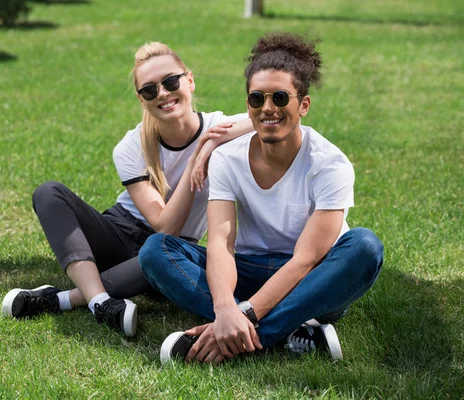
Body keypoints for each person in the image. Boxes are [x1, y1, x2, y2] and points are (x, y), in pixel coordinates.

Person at [139, 32, 384, 364]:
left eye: (280, 98)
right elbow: (221, 243)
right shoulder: (228, 158)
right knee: (156, 251)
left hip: (314, 278)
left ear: (304, 105)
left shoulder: (330, 164)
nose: (269, 108)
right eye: (257, 99)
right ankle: (291, 331)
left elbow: (305, 260)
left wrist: (245, 313)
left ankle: (235, 337)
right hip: (251, 269)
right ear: (248, 106)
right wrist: (225, 306)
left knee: (365, 247)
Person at [1, 42, 253, 337]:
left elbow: (264, 119)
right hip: (118, 235)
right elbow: (164, 223)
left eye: (171, 81)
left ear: (190, 80)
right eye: (150, 90)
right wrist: (195, 161)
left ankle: (63, 298)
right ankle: (100, 302)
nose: (163, 93)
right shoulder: (131, 146)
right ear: (142, 100)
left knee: (158, 255)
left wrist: (207, 143)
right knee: (49, 193)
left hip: (167, 252)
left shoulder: (215, 127)